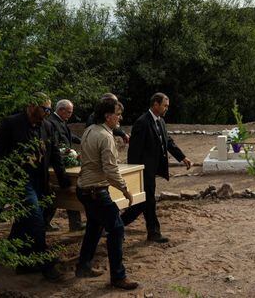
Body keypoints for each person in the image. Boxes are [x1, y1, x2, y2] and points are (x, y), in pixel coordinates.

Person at [0, 92, 70, 281]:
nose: (48, 112)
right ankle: (46, 264)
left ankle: (23, 263)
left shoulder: (47, 126)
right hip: (18, 181)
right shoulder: (11, 123)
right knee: (35, 219)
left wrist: (63, 179)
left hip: (39, 180)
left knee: (25, 221)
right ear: (32, 105)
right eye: (45, 109)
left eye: (50, 109)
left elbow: (54, 153)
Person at [75, 98, 138, 290]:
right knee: (117, 229)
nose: (120, 118)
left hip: (84, 189)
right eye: (118, 114)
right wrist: (125, 189)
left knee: (94, 227)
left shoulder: (89, 130)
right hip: (95, 190)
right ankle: (118, 276)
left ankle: (83, 266)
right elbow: (111, 170)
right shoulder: (105, 136)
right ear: (107, 116)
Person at [121, 92, 192, 243]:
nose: (167, 108)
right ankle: (150, 232)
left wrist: (182, 157)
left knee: (144, 202)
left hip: (152, 170)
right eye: (164, 105)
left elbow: (168, 142)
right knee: (147, 202)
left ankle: (116, 225)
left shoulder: (160, 121)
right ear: (155, 104)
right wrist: (136, 173)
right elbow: (134, 151)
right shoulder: (142, 122)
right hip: (143, 171)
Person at [46, 99, 85, 232]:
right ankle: (45, 222)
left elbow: (68, 135)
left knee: (69, 193)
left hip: (65, 160)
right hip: (57, 162)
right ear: (61, 110)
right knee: (58, 194)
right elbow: (56, 143)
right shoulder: (52, 122)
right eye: (68, 112)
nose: (70, 115)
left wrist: (81, 140)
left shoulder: (60, 121)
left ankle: (76, 223)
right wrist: (68, 153)